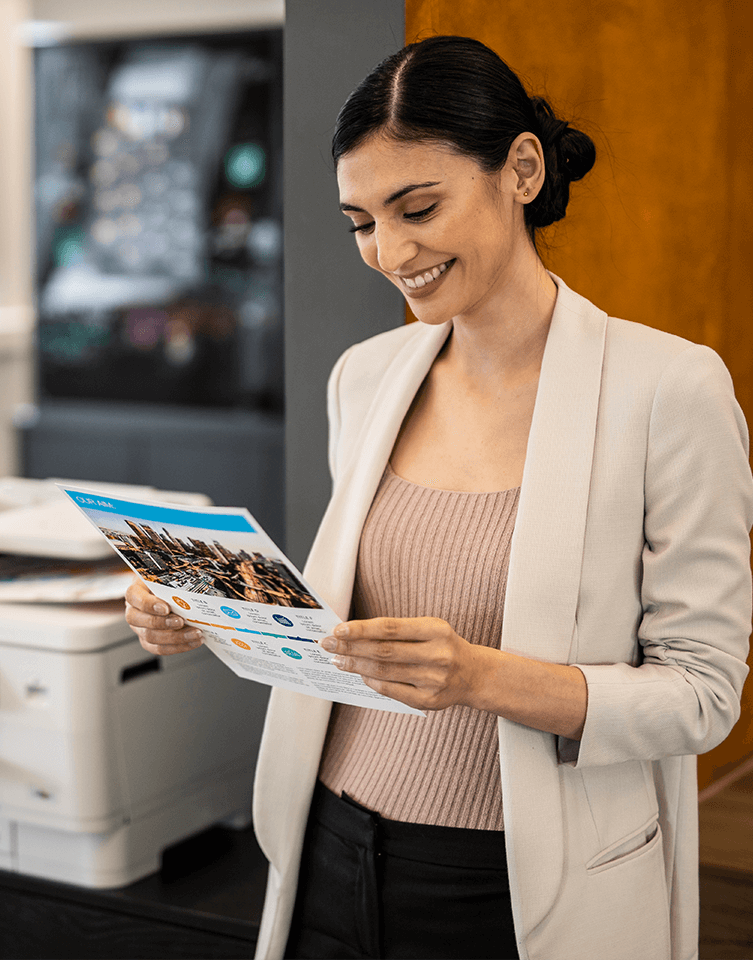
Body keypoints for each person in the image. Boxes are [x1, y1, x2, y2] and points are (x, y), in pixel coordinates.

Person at [126, 34, 753, 960]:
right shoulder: (366, 377)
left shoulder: (669, 389)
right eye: (362, 222)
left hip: (511, 883)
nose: (389, 251)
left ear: (522, 171)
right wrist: (214, 613)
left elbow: (703, 695)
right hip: (327, 849)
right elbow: (351, 627)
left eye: (417, 207)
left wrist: (480, 676)